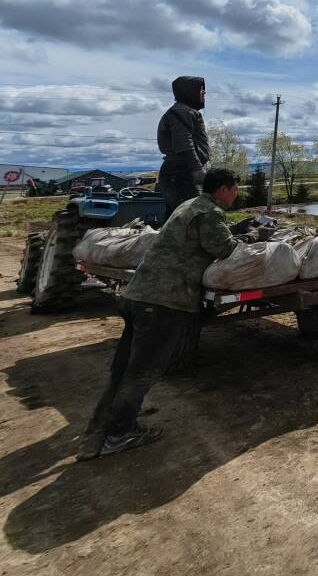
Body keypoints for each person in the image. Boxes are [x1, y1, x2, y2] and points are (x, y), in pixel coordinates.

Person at [78, 167, 243, 460]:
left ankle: (100, 429)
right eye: (234, 188)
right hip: (164, 301)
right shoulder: (209, 213)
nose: (236, 193)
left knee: (124, 368)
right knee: (142, 371)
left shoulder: (187, 205)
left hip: (140, 294)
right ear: (223, 189)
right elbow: (224, 248)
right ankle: (117, 435)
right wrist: (247, 238)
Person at [156, 76, 210, 214]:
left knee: (177, 217)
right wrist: (197, 169)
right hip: (180, 172)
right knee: (193, 215)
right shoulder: (182, 112)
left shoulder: (185, 111)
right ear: (189, 91)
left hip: (180, 171)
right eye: (201, 90)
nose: (204, 94)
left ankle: (168, 236)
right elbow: (183, 142)